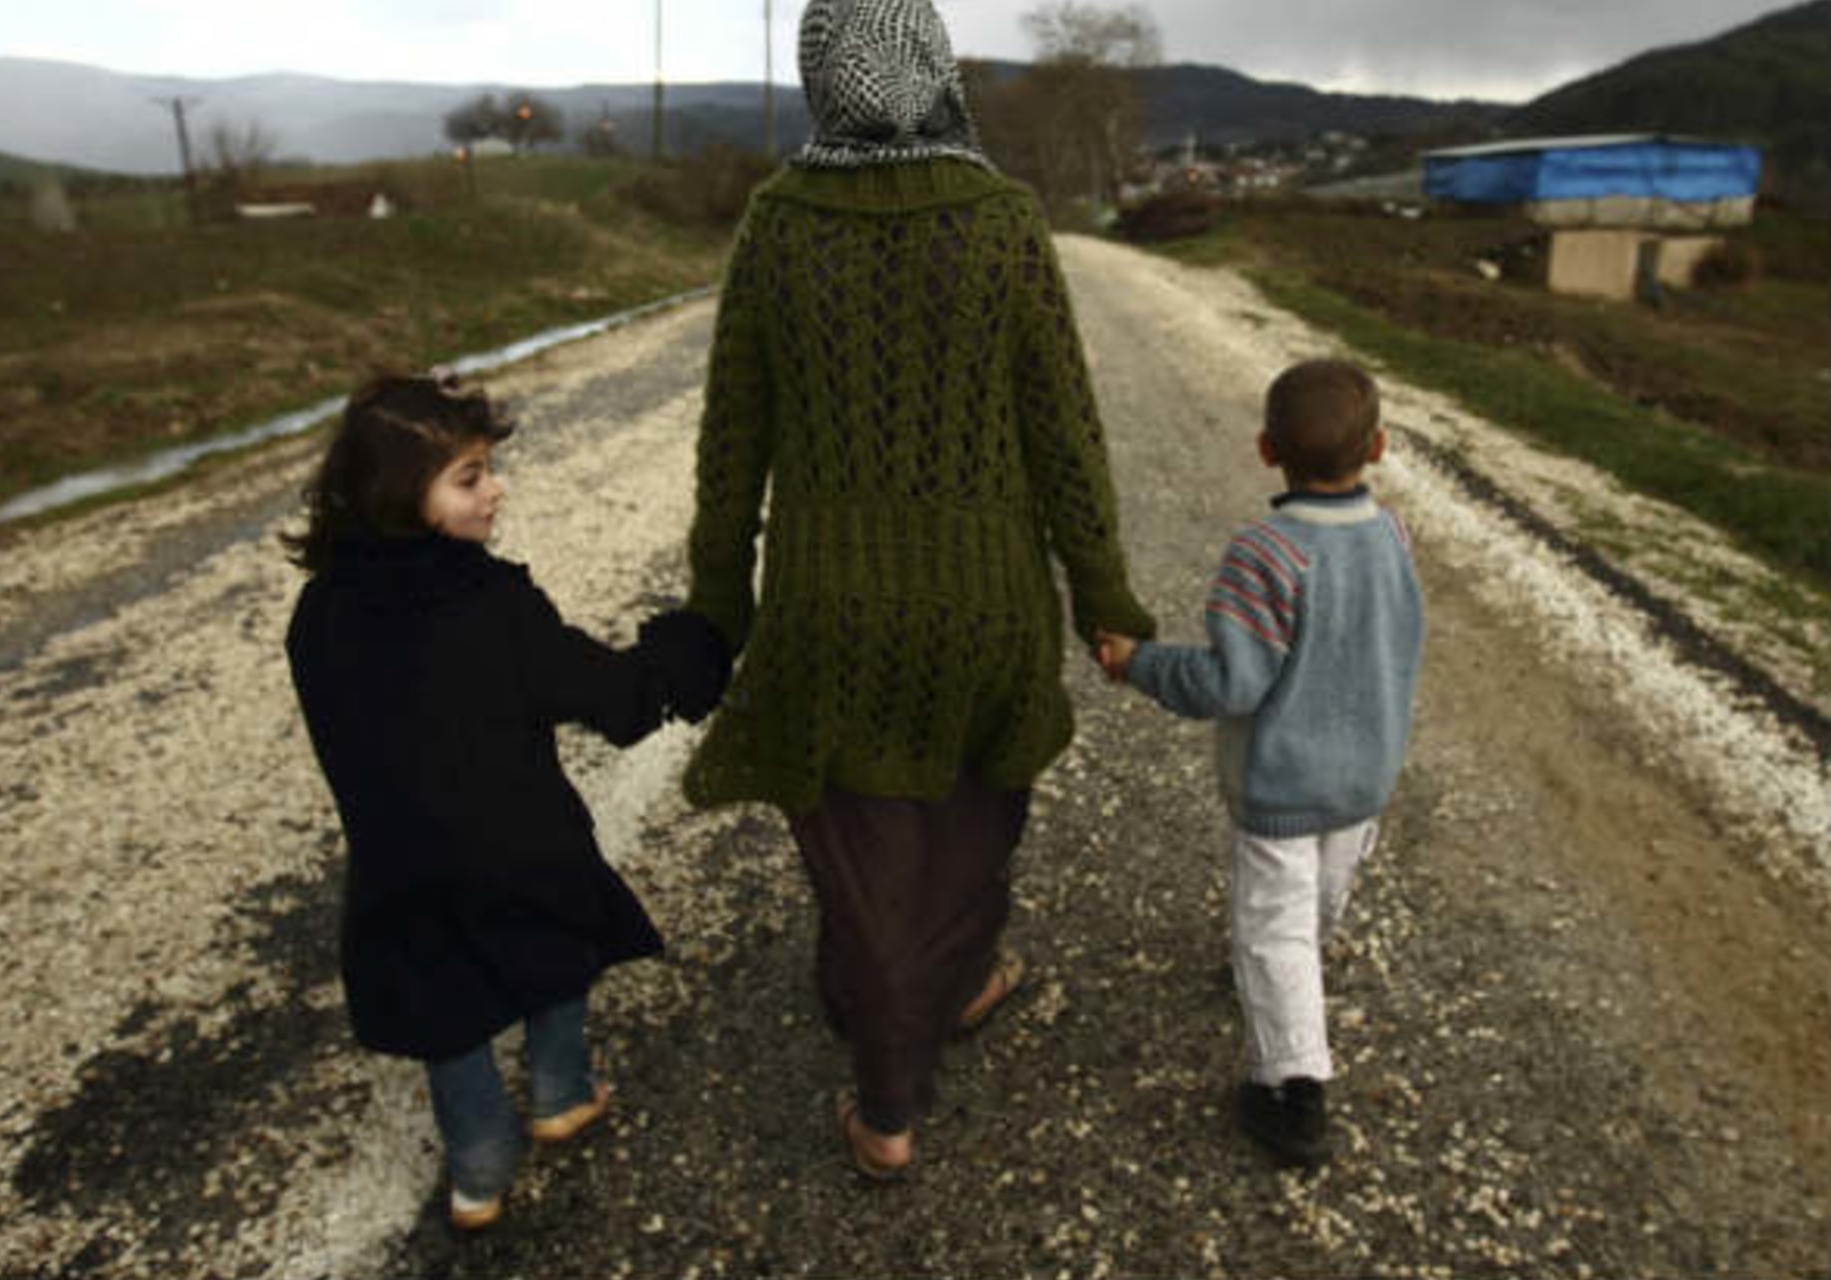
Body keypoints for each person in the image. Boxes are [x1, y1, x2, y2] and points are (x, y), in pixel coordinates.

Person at [682, 0, 1155, 1179]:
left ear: (820, 87)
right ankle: (901, 1069)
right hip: (987, 599)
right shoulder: (1002, 221)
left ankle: (892, 1051)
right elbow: (1065, 434)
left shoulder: (778, 224)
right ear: (939, 74)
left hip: (825, 605)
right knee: (968, 822)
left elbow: (733, 439)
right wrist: (1104, 592)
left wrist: (718, 602)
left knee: (858, 847)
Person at [282, 373, 727, 1229]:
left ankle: (478, 1167)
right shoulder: (488, 601)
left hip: (398, 859)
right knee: (552, 949)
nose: (496, 490)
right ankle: (560, 1093)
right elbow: (611, 696)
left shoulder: (319, 611)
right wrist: (687, 648)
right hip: (520, 840)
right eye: (469, 476)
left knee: (443, 1001)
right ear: (399, 497)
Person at [1094, 359, 1423, 1169]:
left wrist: (1139, 663)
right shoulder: (1393, 537)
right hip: (1365, 776)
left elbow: (1228, 682)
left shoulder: (1268, 553)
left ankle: (1292, 1087)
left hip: (1286, 783)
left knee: (1273, 926)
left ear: (1266, 449)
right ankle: (1283, 984)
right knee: (1315, 903)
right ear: (1377, 446)